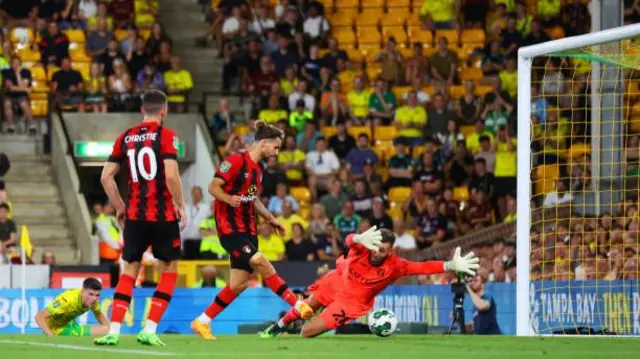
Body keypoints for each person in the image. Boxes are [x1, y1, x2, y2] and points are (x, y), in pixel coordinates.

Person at [191, 120, 313, 340]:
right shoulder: (235, 161)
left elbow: (252, 199)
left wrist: (270, 218)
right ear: (264, 143)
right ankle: (298, 304)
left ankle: (202, 321)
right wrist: (229, 199)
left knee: (239, 284)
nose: (276, 152)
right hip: (230, 229)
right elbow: (213, 187)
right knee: (260, 261)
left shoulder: (257, 170)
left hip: (248, 229)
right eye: (275, 147)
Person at [261, 227, 479, 338]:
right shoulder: (363, 247)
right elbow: (348, 240)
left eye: (382, 250)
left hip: (352, 302)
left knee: (306, 332)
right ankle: (277, 328)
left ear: (390, 251)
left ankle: (313, 326)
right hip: (337, 281)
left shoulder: (396, 266)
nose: (376, 253)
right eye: (375, 248)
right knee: (306, 306)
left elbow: (423, 266)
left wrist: (450, 265)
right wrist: (356, 238)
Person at [95, 90, 187, 347]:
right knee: (169, 270)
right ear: (164, 110)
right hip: (163, 216)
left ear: (142, 111)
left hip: (134, 216)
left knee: (130, 271)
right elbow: (170, 176)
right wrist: (181, 204)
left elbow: (106, 177)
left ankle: (113, 330)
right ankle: (149, 328)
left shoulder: (125, 137)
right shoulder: (167, 136)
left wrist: (120, 206)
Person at [35, 278, 109, 336]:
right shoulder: (67, 300)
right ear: (82, 292)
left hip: (69, 323)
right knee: (105, 330)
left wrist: (113, 332)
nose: (94, 298)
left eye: (97, 295)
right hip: (58, 329)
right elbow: (39, 316)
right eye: (91, 294)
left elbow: (98, 314)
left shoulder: (93, 301)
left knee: (108, 329)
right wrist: (50, 334)